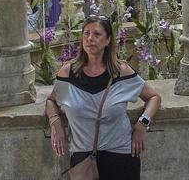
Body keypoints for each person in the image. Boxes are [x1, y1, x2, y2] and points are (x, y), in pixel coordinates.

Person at [46, 16, 161, 180]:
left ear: (108, 40)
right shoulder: (68, 73)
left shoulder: (121, 72)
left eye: (97, 34)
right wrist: (56, 124)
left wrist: (142, 124)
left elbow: (154, 97)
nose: (90, 39)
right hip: (83, 158)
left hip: (121, 155)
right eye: (86, 34)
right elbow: (51, 101)